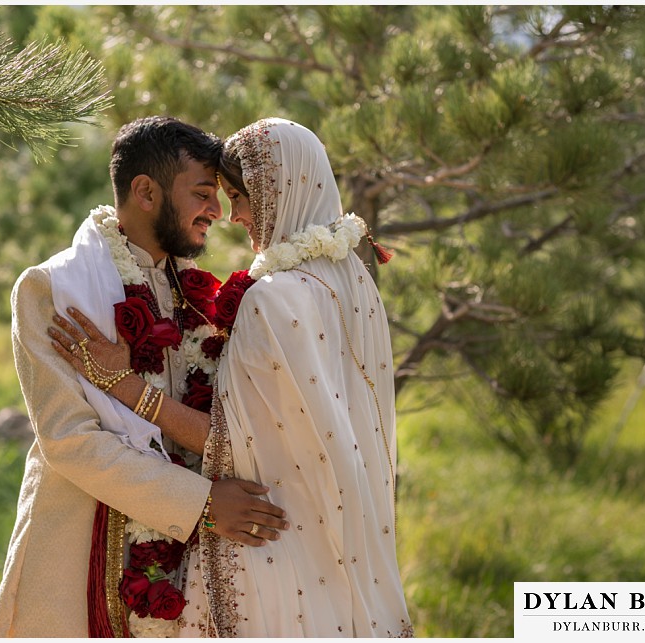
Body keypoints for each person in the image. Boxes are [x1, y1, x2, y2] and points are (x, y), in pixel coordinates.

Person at [51, 118, 413, 637]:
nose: (231, 214)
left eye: (238, 196)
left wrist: (124, 385)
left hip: (261, 545)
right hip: (328, 545)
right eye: (213, 194)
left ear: (279, 191)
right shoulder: (355, 281)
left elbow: (234, 445)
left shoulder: (271, 297)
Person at [0, 116, 289, 638]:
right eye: (200, 194)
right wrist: (203, 506)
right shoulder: (53, 289)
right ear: (145, 191)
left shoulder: (201, 295)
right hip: (81, 556)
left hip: (191, 568)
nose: (216, 211)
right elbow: (70, 441)